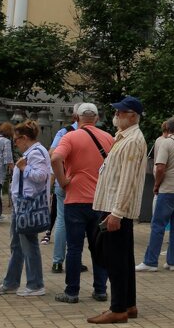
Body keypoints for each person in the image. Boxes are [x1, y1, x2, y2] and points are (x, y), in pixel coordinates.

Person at [88, 96, 148, 324]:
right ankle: (128, 304)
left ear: (132, 116)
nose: (116, 116)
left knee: (113, 258)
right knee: (121, 258)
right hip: (110, 206)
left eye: (121, 112)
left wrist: (117, 213)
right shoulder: (123, 138)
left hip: (115, 208)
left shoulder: (133, 140)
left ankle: (118, 308)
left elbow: (127, 180)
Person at [51, 103, 114, 305]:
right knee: (99, 248)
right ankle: (100, 290)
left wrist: (62, 181)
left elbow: (56, 157)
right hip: (100, 201)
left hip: (76, 200)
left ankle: (72, 292)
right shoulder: (108, 138)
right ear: (96, 118)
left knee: (75, 248)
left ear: (76, 117)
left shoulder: (69, 137)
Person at [0, 121, 50, 297]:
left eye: (16, 140)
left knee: (29, 246)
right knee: (17, 245)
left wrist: (24, 168)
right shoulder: (33, 152)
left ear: (24, 138)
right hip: (22, 205)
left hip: (28, 206)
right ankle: (11, 282)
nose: (15, 143)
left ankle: (36, 284)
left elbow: (41, 176)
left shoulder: (36, 153)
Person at [138, 117, 174, 272]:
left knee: (158, 225)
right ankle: (173, 262)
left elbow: (160, 168)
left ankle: (150, 261)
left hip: (169, 189)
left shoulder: (166, 143)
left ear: (168, 129)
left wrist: (157, 185)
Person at [45, 107, 78, 266]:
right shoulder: (100, 135)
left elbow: (52, 154)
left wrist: (61, 177)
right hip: (86, 187)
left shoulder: (65, 132)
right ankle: (75, 261)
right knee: (82, 223)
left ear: (75, 116)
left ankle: (57, 261)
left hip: (64, 182)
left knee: (61, 221)